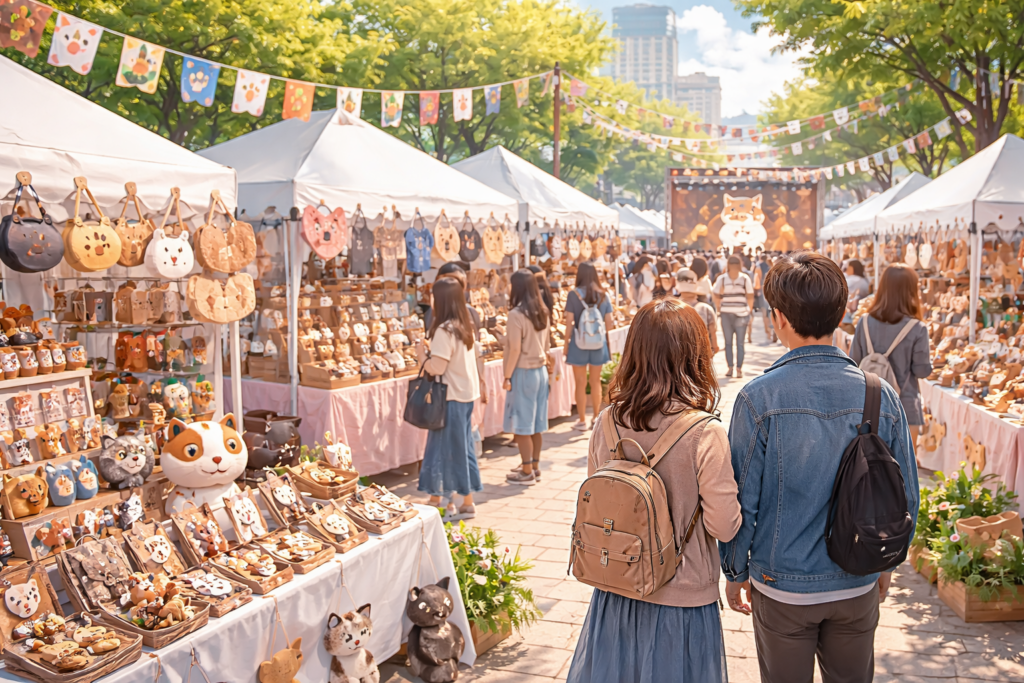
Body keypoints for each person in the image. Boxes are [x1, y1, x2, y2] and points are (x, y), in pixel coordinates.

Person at [720, 252, 919, 683]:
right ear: (842, 313)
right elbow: (906, 495)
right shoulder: (880, 394)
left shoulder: (759, 398)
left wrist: (735, 570)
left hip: (782, 583)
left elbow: (742, 502)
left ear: (778, 318)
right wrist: (885, 565)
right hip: (856, 577)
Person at [567, 299, 741, 683]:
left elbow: (599, 501)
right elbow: (724, 526)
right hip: (683, 597)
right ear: (695, 355)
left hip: (617, 589)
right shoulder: (704, 432)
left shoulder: (607, 421)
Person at [416, 277, 487, 520]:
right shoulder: (463, 326)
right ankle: (465, 501)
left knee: (442, 449)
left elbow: (437, 367)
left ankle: (442, 502)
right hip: (464, 395)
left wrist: (421, 355)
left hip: (450, 397)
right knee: (462, 448)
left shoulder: (444, 330)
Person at [849, 264, 932, 458]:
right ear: (911, 291)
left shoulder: (864, 322)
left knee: (867, 467)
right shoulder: (917, 328)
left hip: (867, 406)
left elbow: (853, 363)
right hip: (904, 406)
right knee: (903, 469)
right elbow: (922, 371)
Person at [503, 270, 551, 485]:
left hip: (523, 371)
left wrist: (507, 376)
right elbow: (547, 345)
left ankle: (526, 471)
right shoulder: (542, 310)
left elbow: (515, 349)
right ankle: (534, 466)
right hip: (541, 371)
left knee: (522, 426)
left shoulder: (516, 314)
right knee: (537, 424)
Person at [565, 262, 615, 431]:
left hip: (578, 343)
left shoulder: (573, 295)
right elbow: (609, 323)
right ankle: (595, 418)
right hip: (598, 343)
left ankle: (581, 420)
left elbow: (569, 322)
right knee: (595, 381)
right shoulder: (603, 294)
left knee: (579, 382)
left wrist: (566, 344)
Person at [712, 255, 754, 378]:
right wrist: (749, 310)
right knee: (735, 343)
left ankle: (734, 368)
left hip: (734, 313)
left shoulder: (742, 278)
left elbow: (715, 294)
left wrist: (719, 306)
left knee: (732, 343)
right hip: (732, 313)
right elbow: (750, 296)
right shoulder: (724, 279)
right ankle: (734, 368)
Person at [676, 269, 719, 355]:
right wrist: (714, 346)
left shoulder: (672, 308)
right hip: (702, 352)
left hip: (678, 352)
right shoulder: (706, 309)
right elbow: (712, 331)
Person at [752, 253, 774, 342]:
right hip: (772, 291)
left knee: (765, 313)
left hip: (762, 291)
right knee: (772, 311)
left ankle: (768, 332)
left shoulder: (758, 267)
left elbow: (757, 280)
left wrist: (756, 291)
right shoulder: (772, 266)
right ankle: (774, 331)